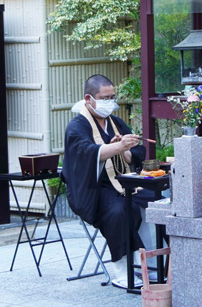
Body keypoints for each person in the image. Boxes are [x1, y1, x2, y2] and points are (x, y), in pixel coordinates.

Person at [62, 74, 156, 288]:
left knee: (156, 199)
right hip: (92, 188)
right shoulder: (77, 126)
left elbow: (137, 151)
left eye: (112, 97)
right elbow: (86, 153)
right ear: (88, 99)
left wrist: (125, 150)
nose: (110, 103)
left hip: (123, 181)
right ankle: (122, 270)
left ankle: (156, 263)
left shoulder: (115, 122)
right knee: (119, 210)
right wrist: (118, 147)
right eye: (105, 98)